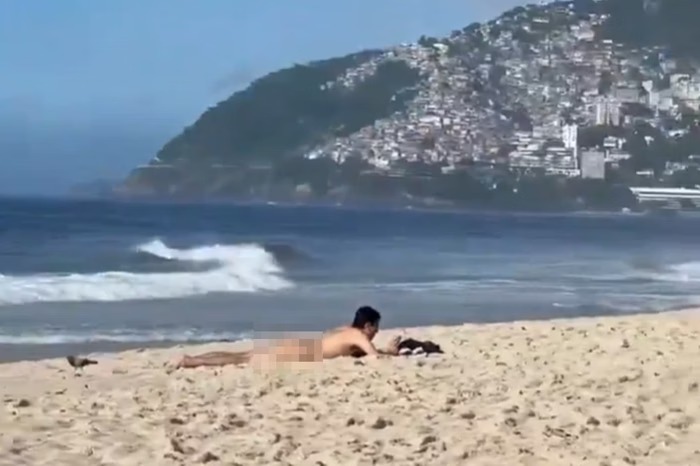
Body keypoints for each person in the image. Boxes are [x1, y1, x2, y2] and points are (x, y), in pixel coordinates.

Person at [174, 306, 400, 369]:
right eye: (376, 328)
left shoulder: (345, 329)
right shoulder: (358, 335)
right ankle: (192, 361)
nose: (377, 332)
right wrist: (389, 351)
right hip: (303, 351)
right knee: (242, 359)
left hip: (303, 342)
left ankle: (193, 359)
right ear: (368, 325)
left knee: (243, 355)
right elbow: (373, 357)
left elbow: (346, 349)